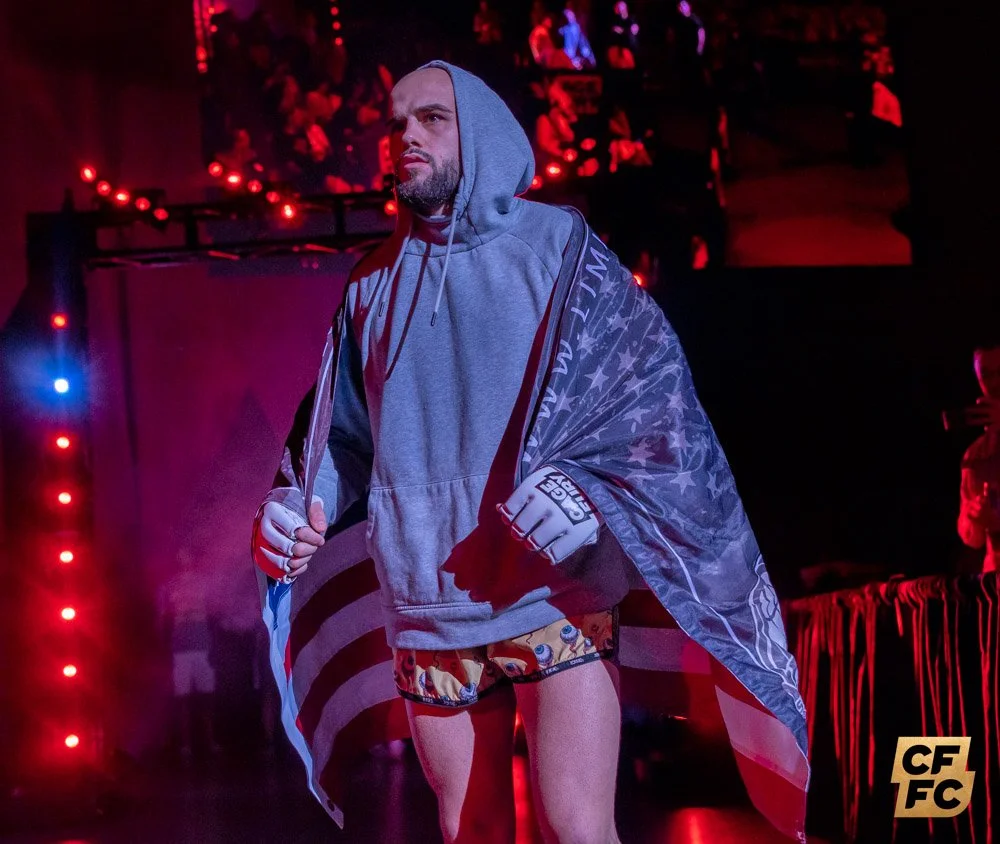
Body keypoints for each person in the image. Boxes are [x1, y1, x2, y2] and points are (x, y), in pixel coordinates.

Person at [252, 62, 808, 843]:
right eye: (396, 121)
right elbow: (341, 437)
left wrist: (586, 486)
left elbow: (647, 400)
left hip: (554, 591)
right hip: (426, 603)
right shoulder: (369, 284)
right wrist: (298, 502)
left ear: (480, 127)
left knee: (577, 829)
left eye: (432, 118)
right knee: (469, 832)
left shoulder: (560, 246)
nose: (406, 135)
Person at [957, 343, 1000, 572]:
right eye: (986, 375)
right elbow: (973, 539)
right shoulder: (975, 455)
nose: (995, 383)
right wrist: (973, 517)